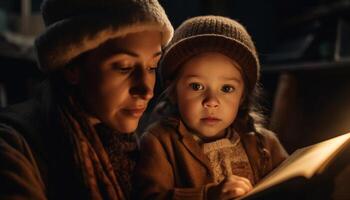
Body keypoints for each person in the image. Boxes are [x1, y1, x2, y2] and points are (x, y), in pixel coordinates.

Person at [0, 0, 173, 199]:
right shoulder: (14, 147)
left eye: (152, 67)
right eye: (124, 67)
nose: (146, 90)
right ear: (71, 66)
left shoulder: (138, 147)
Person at [134, 15, 288, 200]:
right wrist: (207, 195)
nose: (211, 101)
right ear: (174, 92)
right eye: (196, 86)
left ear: (242, 97)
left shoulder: (265, 144)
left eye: (227, 88)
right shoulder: (159, 142)